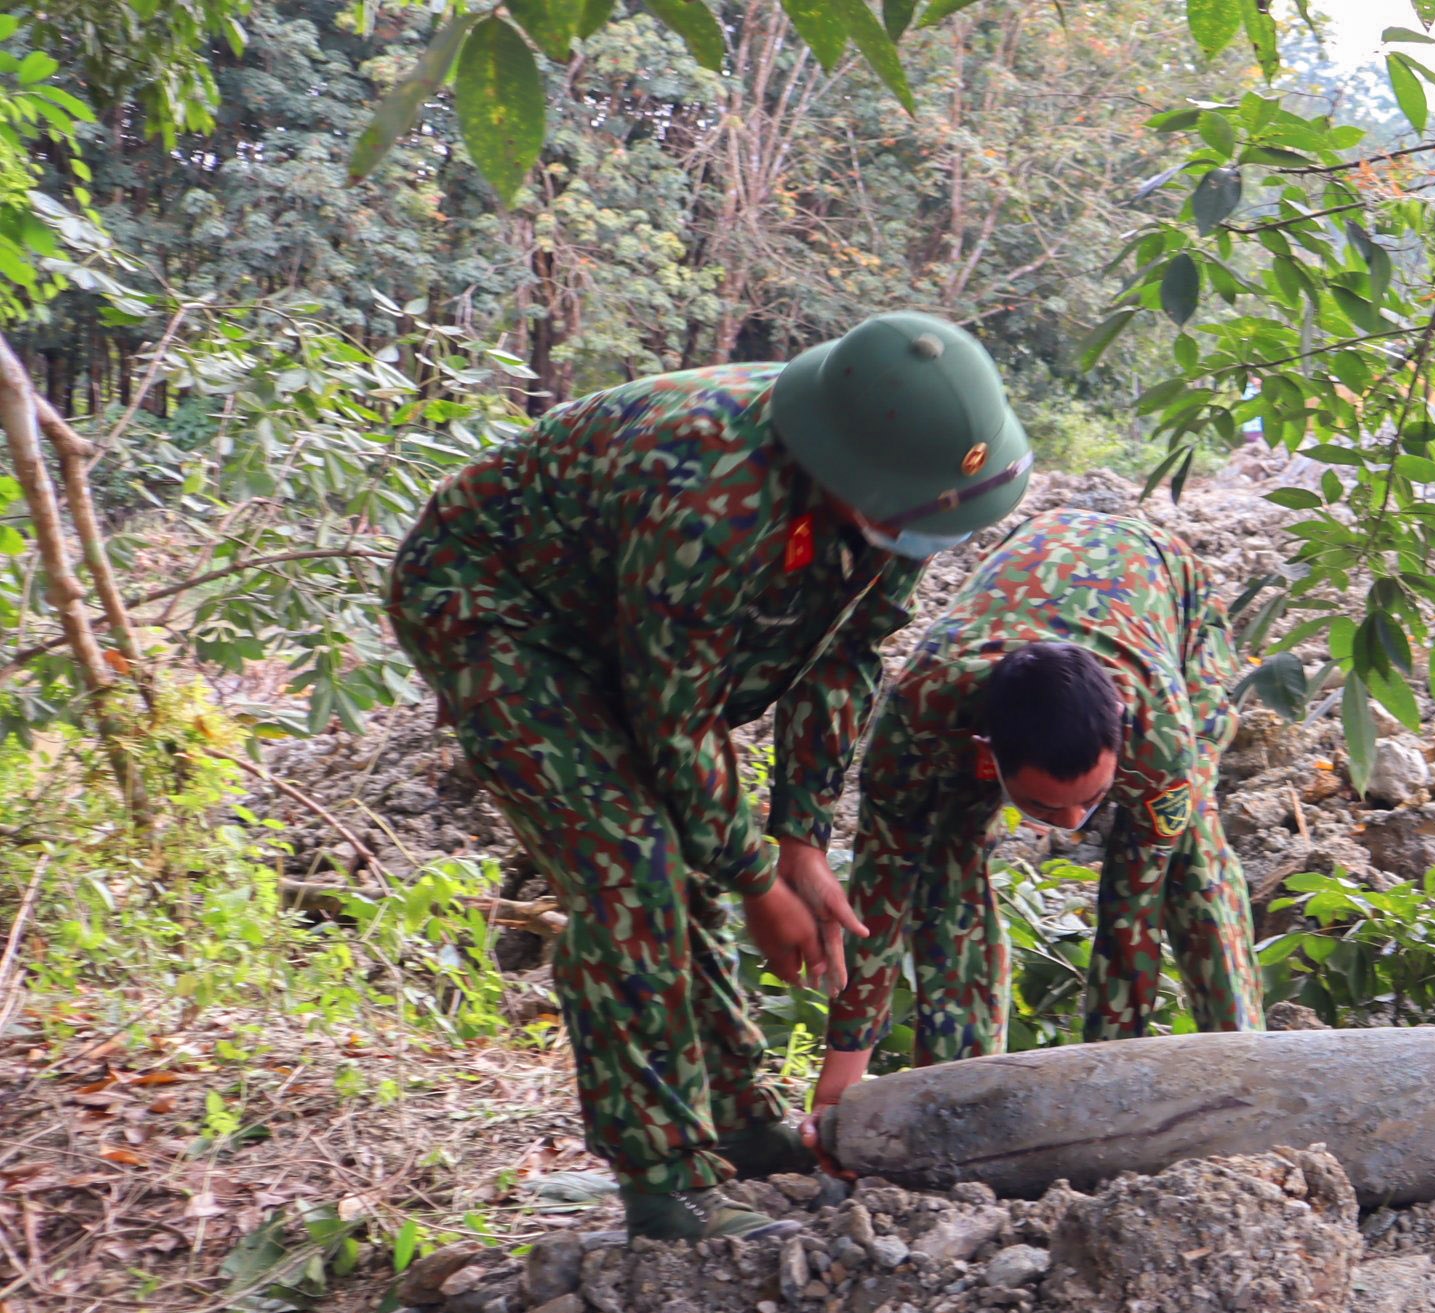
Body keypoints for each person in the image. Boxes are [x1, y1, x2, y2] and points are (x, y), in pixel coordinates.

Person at [386, 312, 1031, 1242]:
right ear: (848, 476)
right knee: (634, 865)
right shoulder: (711, 492)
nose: (923, 537)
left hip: (613, 622)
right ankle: (662, 1178)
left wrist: (802, 836)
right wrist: (757, 880)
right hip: (496, 610)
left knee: (681, 855)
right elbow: (674, 720)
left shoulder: (888, 491)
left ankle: (736, 1122)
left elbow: (845, 655)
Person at [803, 508, 1263, 1118]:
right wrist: (839, 1082)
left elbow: (1131, 925)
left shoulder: (1157, 735)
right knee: (943, 872)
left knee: (1192, 869)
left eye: (1092, 800)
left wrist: (1102, 1103)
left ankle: (1252, 1091)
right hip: (1019, 604)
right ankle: (962, 1103)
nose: (1074, 825)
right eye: (1047, 806)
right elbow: (878, 898)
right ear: (989, 761)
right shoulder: (919, 717)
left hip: (1170, 595)